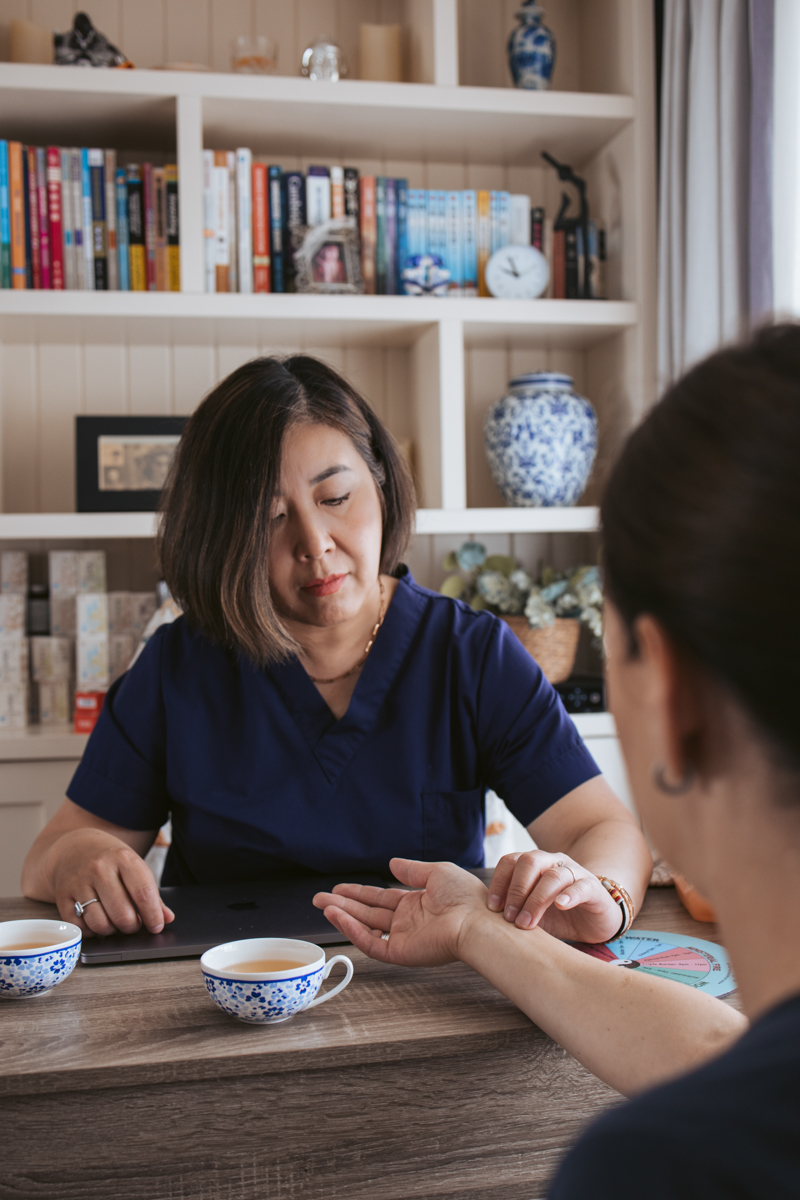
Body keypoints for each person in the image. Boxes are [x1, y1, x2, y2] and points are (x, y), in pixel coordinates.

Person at [314, 324, 800, 1198]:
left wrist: (586, 901)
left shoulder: (659, 1168)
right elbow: (719, 1052)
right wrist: (476, 927)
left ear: (672, 697)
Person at [22, 355, 650, 941]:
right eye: (271, 517)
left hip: (434, 993)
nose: (315, 544)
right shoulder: (177, 666)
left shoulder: (471, 653)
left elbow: (603, 829)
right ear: (221, 539)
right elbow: (48, 858)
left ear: (379, 484)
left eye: (335, 498)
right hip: (229, 998)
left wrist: (599, 894)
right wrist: (81, 857)